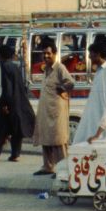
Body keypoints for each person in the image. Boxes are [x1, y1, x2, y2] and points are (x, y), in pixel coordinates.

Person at [0, 44, 36, 163]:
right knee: (16, 130)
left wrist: (5, 104)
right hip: (19, 103)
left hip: (8, 103)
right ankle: (15, 154)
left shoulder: (4, 67)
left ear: (0, 56)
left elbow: (7, 88)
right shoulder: (14, 67)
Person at [31, 43, 74, 175]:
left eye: (49, 53)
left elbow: (70, 83)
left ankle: (63, 170)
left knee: (59, 140)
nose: (46, 56)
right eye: (44, 53)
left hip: (57, 111)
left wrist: (62, 89)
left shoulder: (60, 68)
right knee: (46, 139)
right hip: (46, 110)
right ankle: (48, 166)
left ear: (55, 54)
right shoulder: (47, 69)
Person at [72, 44, 106, 144]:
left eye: (91, 54)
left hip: (103, 115)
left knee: (102, 144)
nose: (89, 57)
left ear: (98, 54)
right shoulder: (99, 71)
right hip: (93, 114)